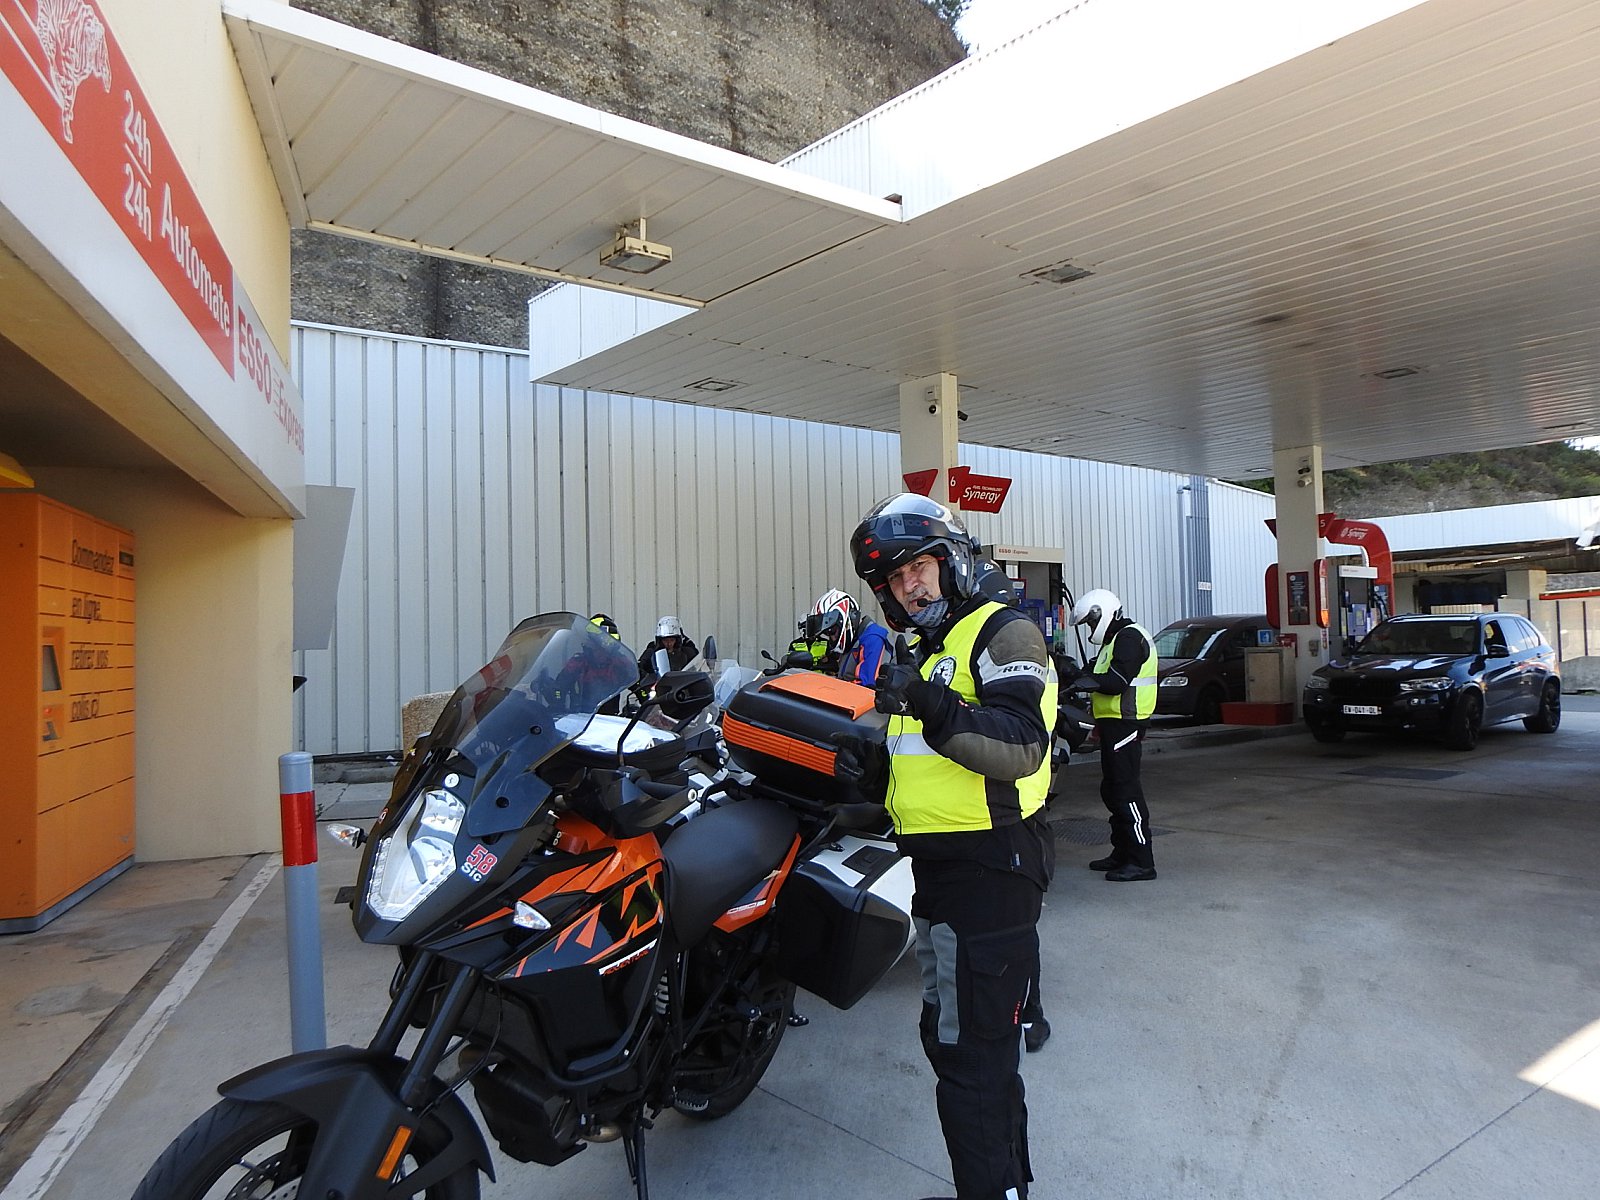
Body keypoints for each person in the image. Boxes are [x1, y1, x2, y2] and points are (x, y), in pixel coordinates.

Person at [847, 492, 1056, 1200]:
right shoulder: (929, 652)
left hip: (990, 872)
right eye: (894, 578)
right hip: (939, 877)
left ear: (952, 561)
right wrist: (866, 772)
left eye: (919, 567)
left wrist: (929, 704)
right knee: (958, 1046)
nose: (909, 586)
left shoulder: (1002, 632)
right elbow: (926, 769)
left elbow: (1020, 744)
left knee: (973, 1059)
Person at [1069, 588, 1158, 882]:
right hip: (1113, 724)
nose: (1091, 628)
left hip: (1126, 724)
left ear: (1103, 612)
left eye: (1091, 622)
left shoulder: (1129, 638)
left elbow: (1116, 681)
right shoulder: (1115, 640)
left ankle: (1141, 861)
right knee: (1112, 790)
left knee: (1125, 791)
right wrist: (1072, 673)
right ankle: (1122, 852)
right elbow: (1095, 672)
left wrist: (1084, 682)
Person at [636, 614, 698, 680]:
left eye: (672, 640)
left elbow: (697, 667)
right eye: (665, 640)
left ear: (677, 640)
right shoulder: (651, 652)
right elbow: (640, 667)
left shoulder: (687, 652)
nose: (669, 643)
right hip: (659, 684)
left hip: (682, 684)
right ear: (660, 640)